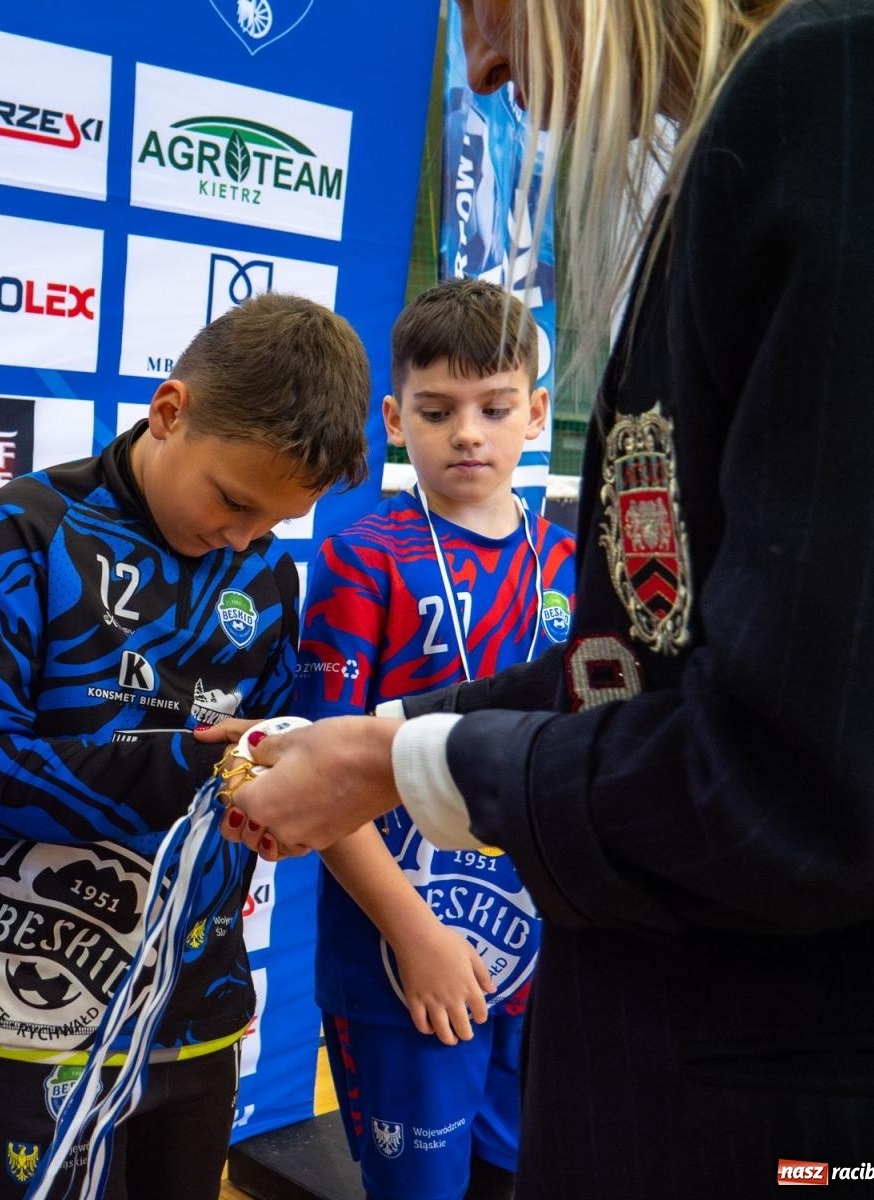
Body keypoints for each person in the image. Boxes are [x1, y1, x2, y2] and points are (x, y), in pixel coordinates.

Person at [209, 0, 874, 1192]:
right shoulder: (737, 152)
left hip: (772, 1100)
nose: (482, 60)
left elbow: (806, 774)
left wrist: (394, 762)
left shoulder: (847, 86)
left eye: (482, 5)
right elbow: (638, 666)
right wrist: (376, 740)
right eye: (437, 411)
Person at [0, 292, 371, 1200]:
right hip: (38, 1002)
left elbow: (264, 761)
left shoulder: (266, 572)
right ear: (170, 411)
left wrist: (279, 798)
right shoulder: (30, 528)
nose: (240, 537)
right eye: (233, 501)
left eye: (272, 523)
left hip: (202, 1003)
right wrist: (196, 766)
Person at [295, 279, 573, 1200]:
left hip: (538, 951)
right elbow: (323, 779)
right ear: (393, 418)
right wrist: (416, 937)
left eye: (496, 408)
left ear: (537, 412)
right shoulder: (362, 560)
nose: (468, 434)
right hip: (402, 957)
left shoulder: (569, 564)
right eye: (437, 410)